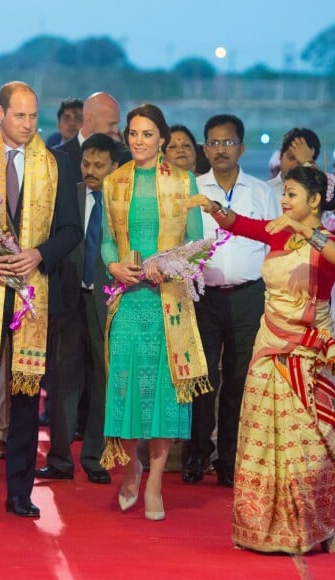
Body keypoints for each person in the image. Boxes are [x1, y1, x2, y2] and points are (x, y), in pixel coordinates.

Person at [0, 81, 82, 523]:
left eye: (32, 116)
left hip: (33, 291)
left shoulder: (57, 163)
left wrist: (40, 252)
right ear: (0, 115)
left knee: (26, 394)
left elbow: (70, 230)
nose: (27, 124)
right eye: (19, 115)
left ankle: (21, 492)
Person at [188, 165, 334, 555]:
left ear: (315, 201)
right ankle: (261, 527)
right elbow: (241, 224)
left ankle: (310, 526)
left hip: (304, 354)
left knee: (307, 446)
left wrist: (306, 231)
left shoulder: (324, 240)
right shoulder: (278, 231)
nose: (284, 201)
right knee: (263, 438)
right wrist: (215, 208)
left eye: (292, 195)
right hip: (268, 347)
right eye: (283, 193)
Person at [100, 104, 209, 520]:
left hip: (169, 305)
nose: (139, 141)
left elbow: (197, 245)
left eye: (147, 134)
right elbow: (108, 240)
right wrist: (114, 266)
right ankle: (131, 472)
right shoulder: (114, 182)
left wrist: (170, 264)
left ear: (162, 139)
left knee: (164, 396)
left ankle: (156, 487)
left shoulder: (184, 182)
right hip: (128, 301)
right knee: (126, 391)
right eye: (133, 133)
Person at [183, 114, 280, 488]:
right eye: (214, 143)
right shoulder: (192, 189)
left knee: (239, 380)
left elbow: (274, 243)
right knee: (201, 379)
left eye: (228, 143)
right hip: (202, 296)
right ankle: (195, 455)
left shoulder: (261, 192)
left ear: (241, 147)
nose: (221, 149)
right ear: (204, 147)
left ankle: (228, 459)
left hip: (248, 297)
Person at [35, 134, 118, 484]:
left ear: (115, 166)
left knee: (103, 379)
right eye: (86, 163)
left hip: (108, 299)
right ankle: (59, 459)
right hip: (68, 298)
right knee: (62, 379)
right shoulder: (68, 193)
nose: (91, 171)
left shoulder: (122, 200)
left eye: (99, 165)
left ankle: (95, 458)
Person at [268, 128, 321, 204]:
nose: (296, 165)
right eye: (291, 158)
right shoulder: (265, 193)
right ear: (280, 155)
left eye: (302, 162)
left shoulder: (321, 197)